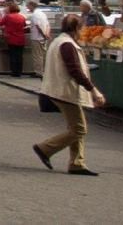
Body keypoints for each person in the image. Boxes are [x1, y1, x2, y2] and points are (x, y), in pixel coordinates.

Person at [32, 14, 105, 176]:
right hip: (65, 92)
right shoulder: (67, 44)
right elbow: (75, 71)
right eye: (82, 28)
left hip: (58, 90)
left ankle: (77, 163)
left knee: (75, 127)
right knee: (79, 129)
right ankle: (45, 148)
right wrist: (93, 90)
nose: (83, 31)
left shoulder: (59, 41)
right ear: (76, 29)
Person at [0, 2, 28, 77]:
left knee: (13, 55)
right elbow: (24, 25)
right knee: (19, 56)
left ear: (10, 8)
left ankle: (14, 72)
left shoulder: (8, 16)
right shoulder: (22, 17)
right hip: (21, 39)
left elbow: (0, 23)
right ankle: (19, 72)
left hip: (12, 39)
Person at [27, 0, 51, 78]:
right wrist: (47, 34)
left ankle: (38, 72)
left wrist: (44, 35)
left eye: (28, 6)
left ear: (31, 6)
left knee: (37, 55)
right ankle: (44, 71)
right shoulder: (42, 13)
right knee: (43, 55)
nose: (27, 7)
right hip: (43, 37)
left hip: (36, 38)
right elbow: (48, 25)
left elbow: (38, 27)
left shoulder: (34, 15)